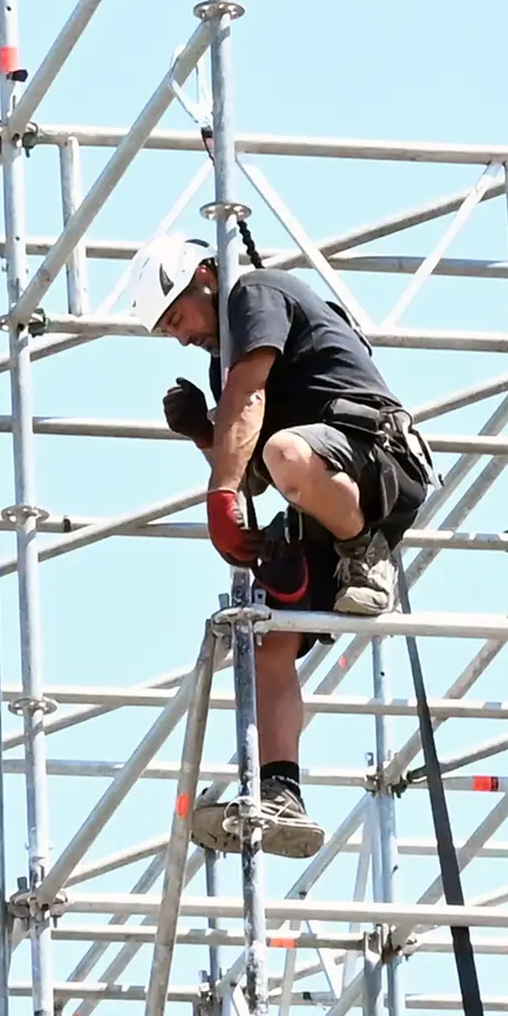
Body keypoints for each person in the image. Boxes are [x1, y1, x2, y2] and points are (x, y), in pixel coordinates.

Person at [111, 231, 433, 860]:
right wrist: (205, 435)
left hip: (375, 461)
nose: (179, 335)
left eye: (178, 316)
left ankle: (364, 550)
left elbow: (253, 409)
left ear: (206, 276)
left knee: (289, 452)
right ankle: (281, 788)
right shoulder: (224, 359)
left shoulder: (253, 296)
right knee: (264, 637)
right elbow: (253, 468)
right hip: (320, 487)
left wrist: (220, 492)